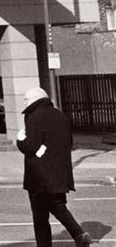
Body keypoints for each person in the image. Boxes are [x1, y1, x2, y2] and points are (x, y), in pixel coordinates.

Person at [16, 87, 93, 246]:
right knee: (58, 206)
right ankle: (79, 235)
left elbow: (30, 146)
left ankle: (45, 245)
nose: (25, 102)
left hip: (39, 175)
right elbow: (69, 143)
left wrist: (20, 139)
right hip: (58, 173)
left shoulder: (34, 116)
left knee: (40, 215)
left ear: (36, 99)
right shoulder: (61, 116)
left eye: (27, 99)